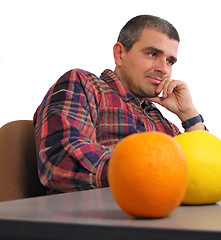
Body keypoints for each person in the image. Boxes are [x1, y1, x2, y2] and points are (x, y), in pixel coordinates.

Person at [34, 15, 206, 193]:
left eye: (170, 61)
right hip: (101, 214)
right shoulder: (84, 84)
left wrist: (188, 115)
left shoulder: (157, 117)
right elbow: (60, 158)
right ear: (119, 54)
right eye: (152, 54)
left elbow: (205, 169)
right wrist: (151, 170)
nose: (163, 69)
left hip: (163, 214)